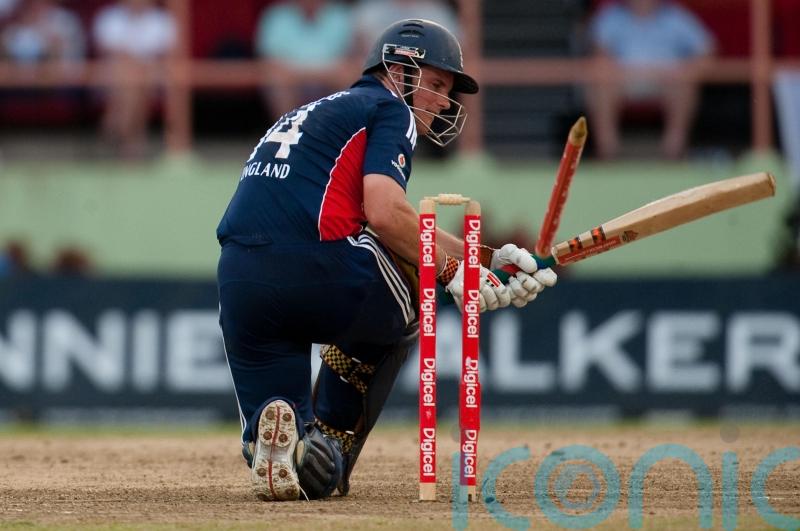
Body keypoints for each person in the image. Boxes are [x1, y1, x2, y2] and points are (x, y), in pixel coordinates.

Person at [216, 19, 557, 501]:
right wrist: (453, 271)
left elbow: (391, 217)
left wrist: (489, 258)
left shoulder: (316, 112)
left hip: (240, 282)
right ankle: (333, 441)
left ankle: (288, 447)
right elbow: (384, 213)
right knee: (411, 280)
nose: (443, 101)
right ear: (399, 70)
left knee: (286, 433)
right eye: (437, 85)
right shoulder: (388, 110)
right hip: (318, 268)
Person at [586, 0, 715, 159]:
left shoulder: (676, 15)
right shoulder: (611, 16)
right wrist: (611, 69)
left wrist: (686, 70)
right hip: (623, 80)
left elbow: (706, 51)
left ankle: (674, 152)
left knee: (684, 83)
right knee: (601, 81)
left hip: (668, 80)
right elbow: (600, 55)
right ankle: (608, 152)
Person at [92, 0, 176, 158]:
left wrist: (138, 66)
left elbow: (162, 57)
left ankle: (116, 124)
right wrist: (135, 65)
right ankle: (133, 143)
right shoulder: (109, 17)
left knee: (136, 79)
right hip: (113, 77)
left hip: (152, 76)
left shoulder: (162, 20)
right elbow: (110, 54)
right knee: (130, 78)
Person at [254, 0, 357, 120]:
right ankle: (287, 134)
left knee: (349, 75)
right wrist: (309, 74)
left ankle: (340, 134)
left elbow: (351, 55)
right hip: (291, 77)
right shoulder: (277, 15)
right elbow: (270, 59)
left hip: (333, 74)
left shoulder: (341, 14)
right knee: (277, 78)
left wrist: (313, 74)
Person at [0, 0, 85, 66]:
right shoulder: (16, 26)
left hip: (62, 82)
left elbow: (73, 58)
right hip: (16, 82)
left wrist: (50, 40)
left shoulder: (65, 20)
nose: (37, 3)